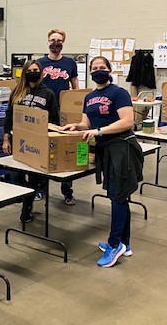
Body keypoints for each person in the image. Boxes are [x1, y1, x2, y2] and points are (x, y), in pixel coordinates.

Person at [61, 56, 143, 268]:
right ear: (90, 72)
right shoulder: (89, 97)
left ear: (109, 70)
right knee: (119, 196)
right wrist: (75, 126)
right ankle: (125, 243)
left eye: (102, 67)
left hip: (122, 147)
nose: (99, 71)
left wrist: (98, 131)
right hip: (105, 150)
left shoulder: (119, 93)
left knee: (118, 196)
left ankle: (114, 245)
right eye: (95, 68)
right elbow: (86, 123)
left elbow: (127, 121)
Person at [2, 60, 59, 224]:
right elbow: (9, 116)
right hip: (18, 140)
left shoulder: (48, 93)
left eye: (36, 70)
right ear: (25, 72)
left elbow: (54, 120)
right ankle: (28, 196)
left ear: (40, 73)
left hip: (38, 142)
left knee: (34, 177)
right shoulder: (17, 92)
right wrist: (6, 138)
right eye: (30, 70)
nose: (33, 72)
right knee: (15, 175)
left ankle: (27, 208)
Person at [37, 29, 79, 205]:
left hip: (63, 113)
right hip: (43, 111)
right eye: (53, 40)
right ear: (47, 41)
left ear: (63, 43)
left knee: (65, 149)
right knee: (42, 149)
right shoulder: (39, 63)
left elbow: (76, 88)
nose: (56, 43)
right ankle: (41, 189)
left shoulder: (70, 63)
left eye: (59, 40)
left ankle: (67, 190)